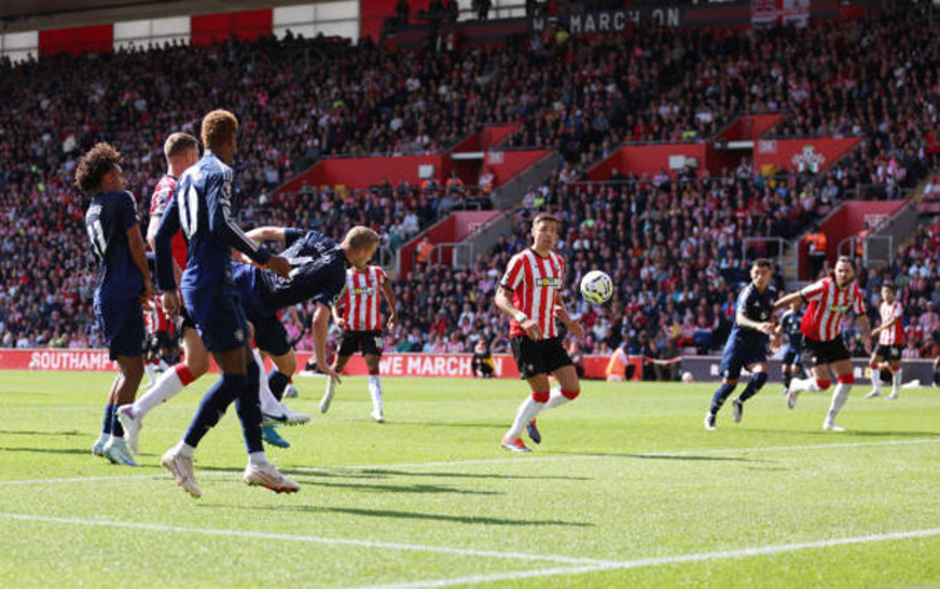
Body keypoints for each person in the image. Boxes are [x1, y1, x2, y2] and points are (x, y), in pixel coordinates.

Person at [154, 109, 297, 498]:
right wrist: (267, 259)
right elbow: (222, 224)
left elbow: (162, 235)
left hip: (205, 283)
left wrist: (169, 286)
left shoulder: (186, 179)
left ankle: (258, 462)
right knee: (236, 376)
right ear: (231, 139)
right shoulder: (221, 173)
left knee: (248, 370)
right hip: (214, 284)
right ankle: (183, 451)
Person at [116, 133, 214, 455]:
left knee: (198, 363)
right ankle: (268, 419)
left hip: (193, 281)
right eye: (198, 155)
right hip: (194, 284)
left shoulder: (176, 186)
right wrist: (174, 280)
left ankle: (136, 410)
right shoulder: (172, 186)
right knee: (245, 341)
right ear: (190, 154)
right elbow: (154, 233)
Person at [78, 142, 153, 467]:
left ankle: (106, 436)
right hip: (122, 293)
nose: (124, 177)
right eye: (119, 171)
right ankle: (117, 441)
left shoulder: (92, 207)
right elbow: (136, 242)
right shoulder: (121, 200)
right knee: (134, 370)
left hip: (106, 291)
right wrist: (147, 281)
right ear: (108, 175)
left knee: (126, 369)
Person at [495, 212, 585, 452]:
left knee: (572, 389)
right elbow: (500, 297)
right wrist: (522, 317)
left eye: (553, 231)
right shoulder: (521, 261)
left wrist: (569, 322)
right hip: (524, 335)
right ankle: (512, 437)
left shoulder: (558, 262)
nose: (548, 234)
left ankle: (528, 410)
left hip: (549, 335)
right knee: (542, 392)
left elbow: (555, 298)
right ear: (533, 232)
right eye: (543, 229)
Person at [774, 256, 872, 432]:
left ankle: (829, 421)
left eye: (846, 271)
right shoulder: (823, 286)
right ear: (834, 271)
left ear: (854, 273)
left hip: (834, 339)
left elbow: (862, 317)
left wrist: (867, 337)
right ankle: (796, 385)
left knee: (848, 380)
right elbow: (796, 297)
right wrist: (770, 310)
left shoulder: (855, 293)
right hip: (812, 340)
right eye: (839, 270)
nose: (842, 274)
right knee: (823, 385)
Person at [319, 259, 398, 422]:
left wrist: (394, 313)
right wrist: (336, 317)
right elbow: (333, 300)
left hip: (372, 329)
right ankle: (329, 393)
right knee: (338, 366)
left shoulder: (377, 273)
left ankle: (378, 409)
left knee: (373, 364)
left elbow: (388, 291)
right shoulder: (346, 277)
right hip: (350, 328)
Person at [704, 259, 778, 430]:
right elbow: (740, 319)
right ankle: (711, 414)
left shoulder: (772, 293)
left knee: (762, 373)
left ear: (770, 274)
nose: (759, 276)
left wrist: (773, 334)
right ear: (751, 273)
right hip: (738, 344)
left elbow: (770, 314)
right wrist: (757, 325)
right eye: (756, 273)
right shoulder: (747, 293)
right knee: (729, 384)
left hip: (756, 345)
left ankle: (740, 401)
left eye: (763, 273)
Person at [865, 283, 904, 400]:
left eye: (888, 292)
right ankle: (876, 389)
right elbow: (885, 321)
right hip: (883, 340)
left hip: (895, 341)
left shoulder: (897, 305)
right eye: (883, 292)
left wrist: (878, 329)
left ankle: (895, 392)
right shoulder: (882, 306)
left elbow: (894, 321)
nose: (885, 295)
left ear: (893, 293)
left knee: (894, 365)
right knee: (873, 362)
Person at [778, 301, 805, 394]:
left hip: (801, 346)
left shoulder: (804, 315)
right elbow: (780, 328)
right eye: (793, 303)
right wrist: (773, 334)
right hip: (790, 346)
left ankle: (803, 379)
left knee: (795, 368)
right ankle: (787, 387)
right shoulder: (786, 315)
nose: (795, 304)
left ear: (800, 304)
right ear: (790, 304)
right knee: (785, 368)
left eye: (797, 303)